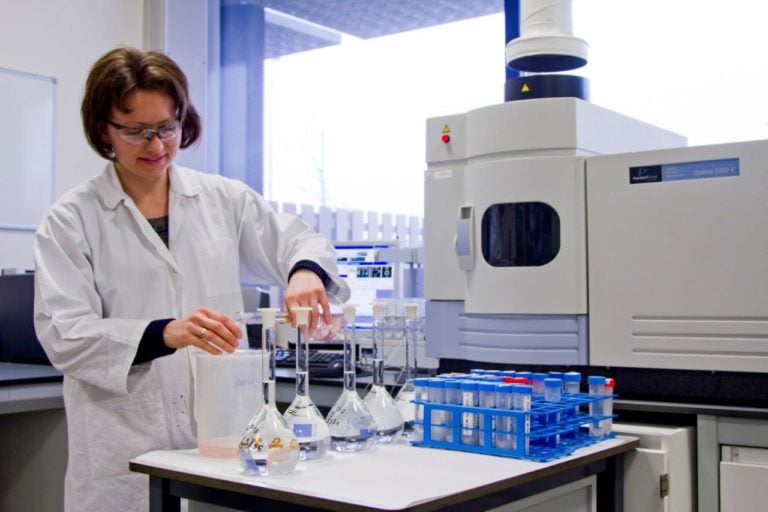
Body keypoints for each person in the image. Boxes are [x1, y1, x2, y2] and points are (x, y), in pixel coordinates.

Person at [33, 46, 349, 512]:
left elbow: (299, 241)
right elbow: (66, 333)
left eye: (167, 127)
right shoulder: (71, 220)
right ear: (105, 129)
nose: (156, 146)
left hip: (221, 440)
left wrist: (303, 273)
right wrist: (167, 333)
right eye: (136, 132)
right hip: (122, 452)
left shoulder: (223, 200)